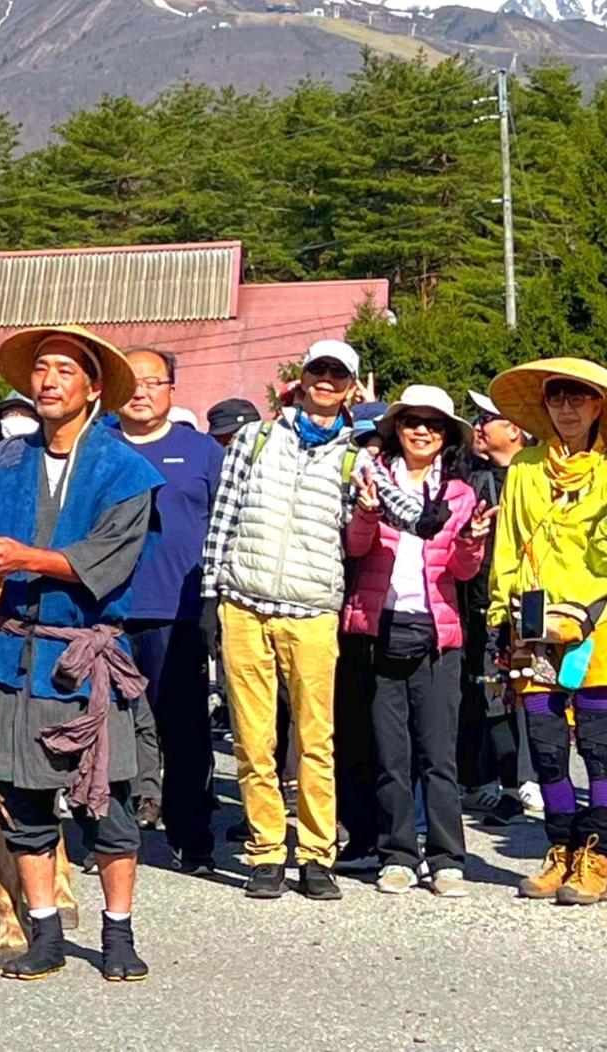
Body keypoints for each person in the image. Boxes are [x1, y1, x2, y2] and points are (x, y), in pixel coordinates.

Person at [0, 324, 160, 982]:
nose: (47, 381)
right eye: (41, 370)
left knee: (106, 806)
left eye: (63, 371)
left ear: (94, 389)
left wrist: (26, 560)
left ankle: (117, 935)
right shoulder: (2, 462)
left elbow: (109, 560)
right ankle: (44, 932)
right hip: (9, 658)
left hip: (89, 659)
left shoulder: (127, 470)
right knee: (23, 805)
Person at [199, 338, 363, 902]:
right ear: (300, 378)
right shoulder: (255, 437)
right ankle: (267, 850)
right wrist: (210, 594)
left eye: (337, 375)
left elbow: (369, 525)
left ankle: (318, 854)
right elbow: (223, 514)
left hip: (313, 611)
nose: (325, 381)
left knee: (317, 742)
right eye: (317, 370)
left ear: (351, 389)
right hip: (244, 604)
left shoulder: (356, 454)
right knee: (253, 738)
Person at [486, 357, 607, 905]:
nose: (568, 408)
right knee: (548, 749)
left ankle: (598, 855)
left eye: (579, 398)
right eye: (558, 398)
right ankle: (559, 848)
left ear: (598, 406)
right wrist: (497, 618)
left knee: (601, 748)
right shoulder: (526, 468)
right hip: (531, 628)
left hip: (592, 626)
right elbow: (507, 545)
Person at [341, 386, 491, 898]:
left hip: (438, 636)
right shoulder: (371, 481)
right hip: (379, 627)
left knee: (438, 755)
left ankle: (447, 857)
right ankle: (397, 854)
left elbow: (462, 571)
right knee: (389, 753)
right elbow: (356, 548)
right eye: (411, 422)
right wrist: (365, 512)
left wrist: (471, 543)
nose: (421, 430)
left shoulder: (460, 494)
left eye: (432, 423)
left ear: (446, 435)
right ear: (396, 430)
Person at [113, 345, 224, 873]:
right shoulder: (96, 446)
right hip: (104, 609)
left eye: (152, 382)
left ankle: (192, 836)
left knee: (182, 728)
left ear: (171, 391)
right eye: (130, 381)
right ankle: (107, 837)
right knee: (103, 729)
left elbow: (227, 527)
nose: (140, 391)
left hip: (177, 609)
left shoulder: (201, 451)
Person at [459, 390, 530, 826]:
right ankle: (489, 780)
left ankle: (524, 783)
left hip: (528, 605)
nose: (478, 426)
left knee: (526, 693)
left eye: (488, 418)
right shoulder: (473, 475)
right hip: (478, 602)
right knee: (485, 691)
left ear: (515, 430)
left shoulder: (536, 476)